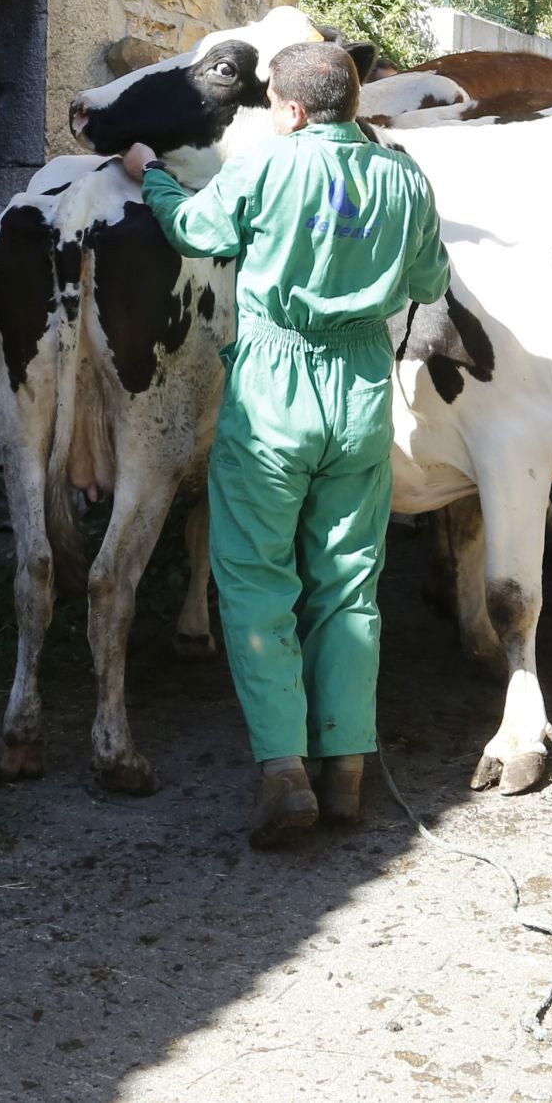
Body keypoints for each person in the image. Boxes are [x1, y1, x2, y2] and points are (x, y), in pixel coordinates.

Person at [122, 43, 451, 848]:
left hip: (274, 390)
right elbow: (429, 282)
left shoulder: (269, 165)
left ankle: (283, 771)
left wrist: (152, 173)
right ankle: (346, 768)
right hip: (362, 391)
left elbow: (195, 229)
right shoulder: (403, 175)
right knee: (350, 584)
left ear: (295, 110)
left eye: (273, 102)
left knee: (256, 578)